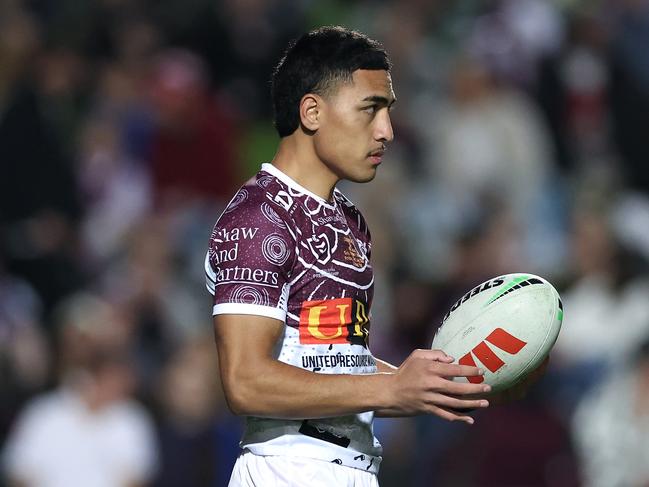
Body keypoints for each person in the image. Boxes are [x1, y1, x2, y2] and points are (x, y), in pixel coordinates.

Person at [205, 26, 492, 486]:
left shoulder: (349, 220)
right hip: (290, 470)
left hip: (353, 470)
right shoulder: (260, 218)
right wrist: (390, 388)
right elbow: (245, 381)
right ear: (312, 111)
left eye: (388, 111)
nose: (387, 131)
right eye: (370, 109)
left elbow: (331, 360)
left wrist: (424, 385)